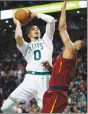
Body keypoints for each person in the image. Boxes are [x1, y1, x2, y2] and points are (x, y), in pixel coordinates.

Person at [1, 10, 55, 113]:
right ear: (29, 35)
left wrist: (37, 14)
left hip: (43, 79)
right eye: (33, 29)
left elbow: (51, 20)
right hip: (29, 79)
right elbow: (18, 37)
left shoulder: (47, 40)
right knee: (5, 108)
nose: (36, 30)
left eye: (38, 29)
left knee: (47, 111)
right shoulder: (25, 47)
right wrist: (18, 23)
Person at [41, 0, 86, 113]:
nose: (75, 41)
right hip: (56, 93)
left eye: (78, 42)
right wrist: (51, 68)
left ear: (78, 48)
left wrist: (63, 10)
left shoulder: (71, 50)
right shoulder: (69, 57)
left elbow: (62, 27)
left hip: (57, 94)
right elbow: (60, 74)